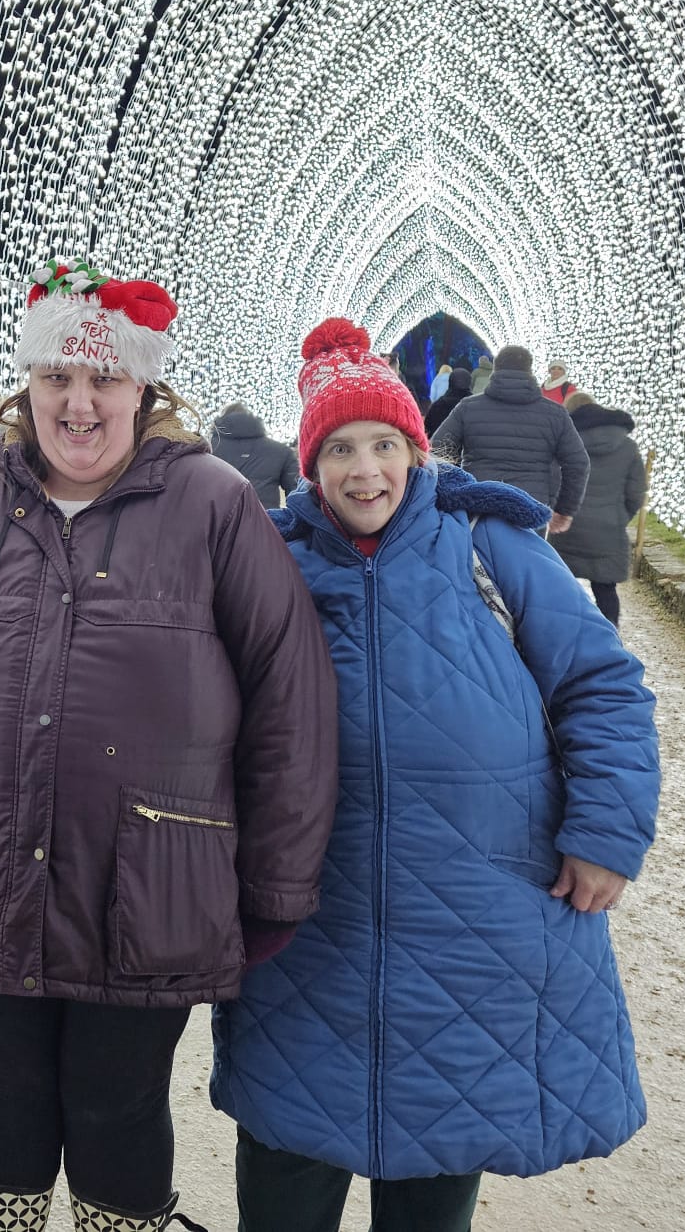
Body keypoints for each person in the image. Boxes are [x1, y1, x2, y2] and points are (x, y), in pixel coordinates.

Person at [0, 257, 338, 1232]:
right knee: (3, 1095)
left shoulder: (213, 506)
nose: (76, 403)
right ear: (22, 385)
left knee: (117, 1108)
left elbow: (289, 703)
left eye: (101, 378)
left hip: (149, 886)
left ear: (141, 385)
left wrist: (275, 889)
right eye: (54, 378)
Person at [212, 318, 660, 1232]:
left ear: (418, 451)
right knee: (286, 1169)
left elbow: (603, 685)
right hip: (310, 933)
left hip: (472, 933)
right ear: (310, 465)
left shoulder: (491, 548)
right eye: (339, 449)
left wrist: (607, 831)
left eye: (383, 444)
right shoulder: (269, 562)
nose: (364, 470)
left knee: (437, 1167)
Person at [428, 344, 589, 535]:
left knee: (475, 563)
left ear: (496, 369)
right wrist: (564, 509)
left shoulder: (468, 407)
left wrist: (454, 492)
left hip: (479, 505)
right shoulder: (555, 414)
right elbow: (578, 463)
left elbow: (437, 450)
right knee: (526, 564)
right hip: (531, 509)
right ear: (530, 370)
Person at [550, 394, 648, 627]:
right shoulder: (627, 446)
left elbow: (552, 481)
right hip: (608, 528)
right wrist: (620, 517)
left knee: (563, 587)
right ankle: (611, 639)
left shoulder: (563, 441)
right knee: (605, 590)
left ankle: (565, 636)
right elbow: (636, 492)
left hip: (568, 527)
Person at [208, 402, 301, 507]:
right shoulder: (281, 452)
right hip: (264, 520)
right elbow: (298, 495)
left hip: (217, 520)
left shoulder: (205, 451)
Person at [421, 366, 471, 436]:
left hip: (441, 444)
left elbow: (427, 425)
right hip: (469, 445)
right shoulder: (475, 405)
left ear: (450, 382)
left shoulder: (438, 405)